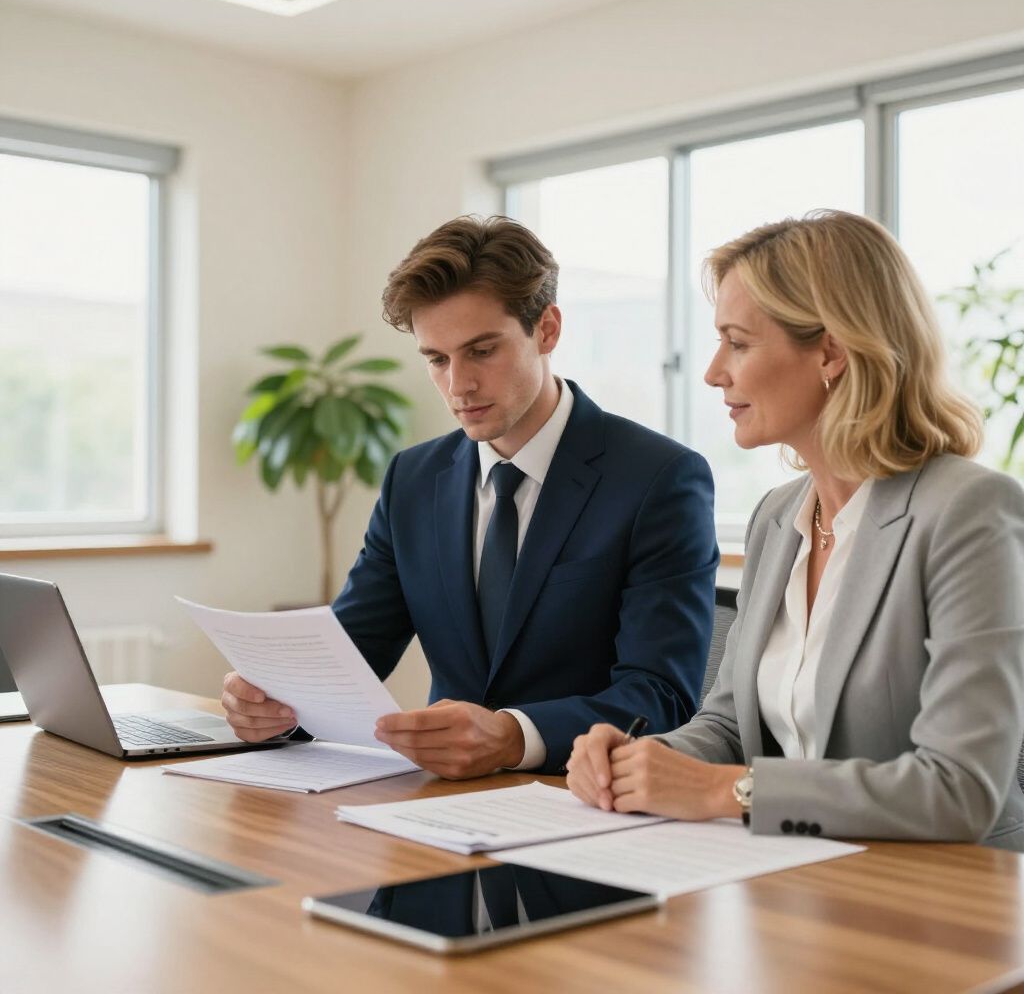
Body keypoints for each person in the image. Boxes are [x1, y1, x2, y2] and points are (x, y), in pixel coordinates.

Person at [567, 209, 1024, 849]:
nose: (713, 371)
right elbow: (730, 725)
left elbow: (959, 789)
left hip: (950, 899)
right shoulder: (778, 516)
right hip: (800, 884)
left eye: (739, 341)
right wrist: (640, 761)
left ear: (831, 351)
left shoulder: (968, 511)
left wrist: (724, 792)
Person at [222, 215, 718, 778]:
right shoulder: (413, 478)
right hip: (439, 812)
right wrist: (276, 706)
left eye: (482, 351)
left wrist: (513, 737)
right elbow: (349, 657)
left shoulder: (659, 478)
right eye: (437, 358)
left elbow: (662, 697)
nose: (459, 385)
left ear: (547, 330)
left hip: (582, 808)